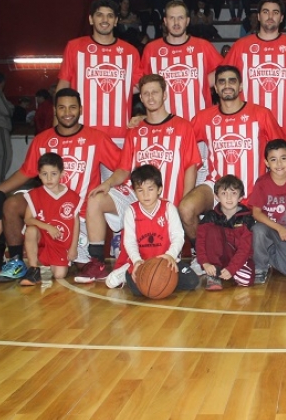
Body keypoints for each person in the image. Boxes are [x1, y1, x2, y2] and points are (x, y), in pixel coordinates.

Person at [80, 75, 200, 284]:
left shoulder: (182, 127)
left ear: (164, 95)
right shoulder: (135, 131)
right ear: (141, 98)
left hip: (166, 200)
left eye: (155, 92)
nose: (151, 97)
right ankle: (97, 263)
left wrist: (185, 199)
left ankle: (197, 255)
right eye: (146, 93)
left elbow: (191, 166)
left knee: (165, 268)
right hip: (135, 195)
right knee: (95, 199)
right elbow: (124, 169)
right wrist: (107, 183)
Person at [0, 88, 125, 276]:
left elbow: (123, 166)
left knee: (83, 267)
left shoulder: (97, 138)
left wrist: (110, 183)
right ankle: (17, 262)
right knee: (11, 204)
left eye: (72, 107)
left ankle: (76, 255)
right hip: (45, 213)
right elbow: (26, 172)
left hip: (78, 216)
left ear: (80, 109)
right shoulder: (42, 140)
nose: (67, 112)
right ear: (55, 110)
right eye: (62, 108)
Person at [181, 65, 285, 245]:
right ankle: (204, 254)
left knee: (247, 245)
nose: (227, 85)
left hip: (253, 190)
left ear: (241, 86)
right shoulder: (204, 117)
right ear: (215, 88)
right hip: (216, 187)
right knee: (186, 209)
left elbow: (282, 151)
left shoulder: (261, 114)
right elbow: (180, 137)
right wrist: (143, 119)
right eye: (222, 82)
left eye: (232, 81)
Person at [221, 0, 286, 137]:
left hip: (285, 130)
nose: (270, 16)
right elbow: (219, 77)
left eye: (275, 12)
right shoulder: (241, 46)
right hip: (248, 130)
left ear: (282, 18)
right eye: (266, 12)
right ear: (259, 17)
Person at [103, 165, 200, 294]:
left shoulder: (168, 208)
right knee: (139, 291)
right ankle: (126, 271)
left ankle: (162, 282)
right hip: (142, 261)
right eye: (140, 190)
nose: (146, 195)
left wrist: (170, 255)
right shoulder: (131, 211)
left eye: (150, 189)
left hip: (166, 259)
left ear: (159, 189)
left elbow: (178, 236)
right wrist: (136, 260)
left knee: (192, 281)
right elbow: (129, 242)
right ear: (134, 191)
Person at [58, 0, 142, 142]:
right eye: (99, 15)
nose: (105, 20)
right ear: (91, 19)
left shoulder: (130, 52)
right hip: (82, 132)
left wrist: (144, 116)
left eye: (110, 16)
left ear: (116, 21)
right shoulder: (75, 47)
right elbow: (63, 86)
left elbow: (139, 87)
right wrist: (57, 125)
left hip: (119, 134)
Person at [140, 0, 222, 118]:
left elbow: (224, 71)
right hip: (163, 121)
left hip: (198, 119)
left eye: (180, 18)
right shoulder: (152, 49)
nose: (176, 22)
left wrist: (203, 82)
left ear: (187, 21)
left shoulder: (202, 46)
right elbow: (143, 81)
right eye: (172, 18)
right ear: (165, 21)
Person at [18, 153, 81, 286]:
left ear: (62, 174)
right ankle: (34, 269)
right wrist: (47, 227)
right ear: (39, 175)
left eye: (53, 174)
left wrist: (73, 247)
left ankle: (47, 264)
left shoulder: (72, 197)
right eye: (44, 174)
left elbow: (76, 223)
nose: (49, 178)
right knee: (31, 231)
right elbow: (28, 219)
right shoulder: (35, 194)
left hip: (59, 242)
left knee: (59, 275)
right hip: (41, 237)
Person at [249, 139, 286, 283]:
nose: (279, 164)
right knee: (257, 230)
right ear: (267, 162)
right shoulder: (262, 183)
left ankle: (269, 255)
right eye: (273, 160)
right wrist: (279, 228)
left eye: (283, 158)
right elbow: (256, 213)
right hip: (269, 229)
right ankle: (260, 267)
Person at [192, 174, 257, 291]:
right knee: (212, 231)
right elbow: (200, 242)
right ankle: (214, 274)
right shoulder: (211, 216)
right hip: (217, 259)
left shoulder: (246, 218)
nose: (229, 197)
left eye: (234, 193)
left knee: (246, 280)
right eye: (224, 193)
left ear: (241, 197)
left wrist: (232, 268)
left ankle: (228, 272)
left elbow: (245, 249)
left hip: (237, 258)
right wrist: (205, 263)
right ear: (217, 197)